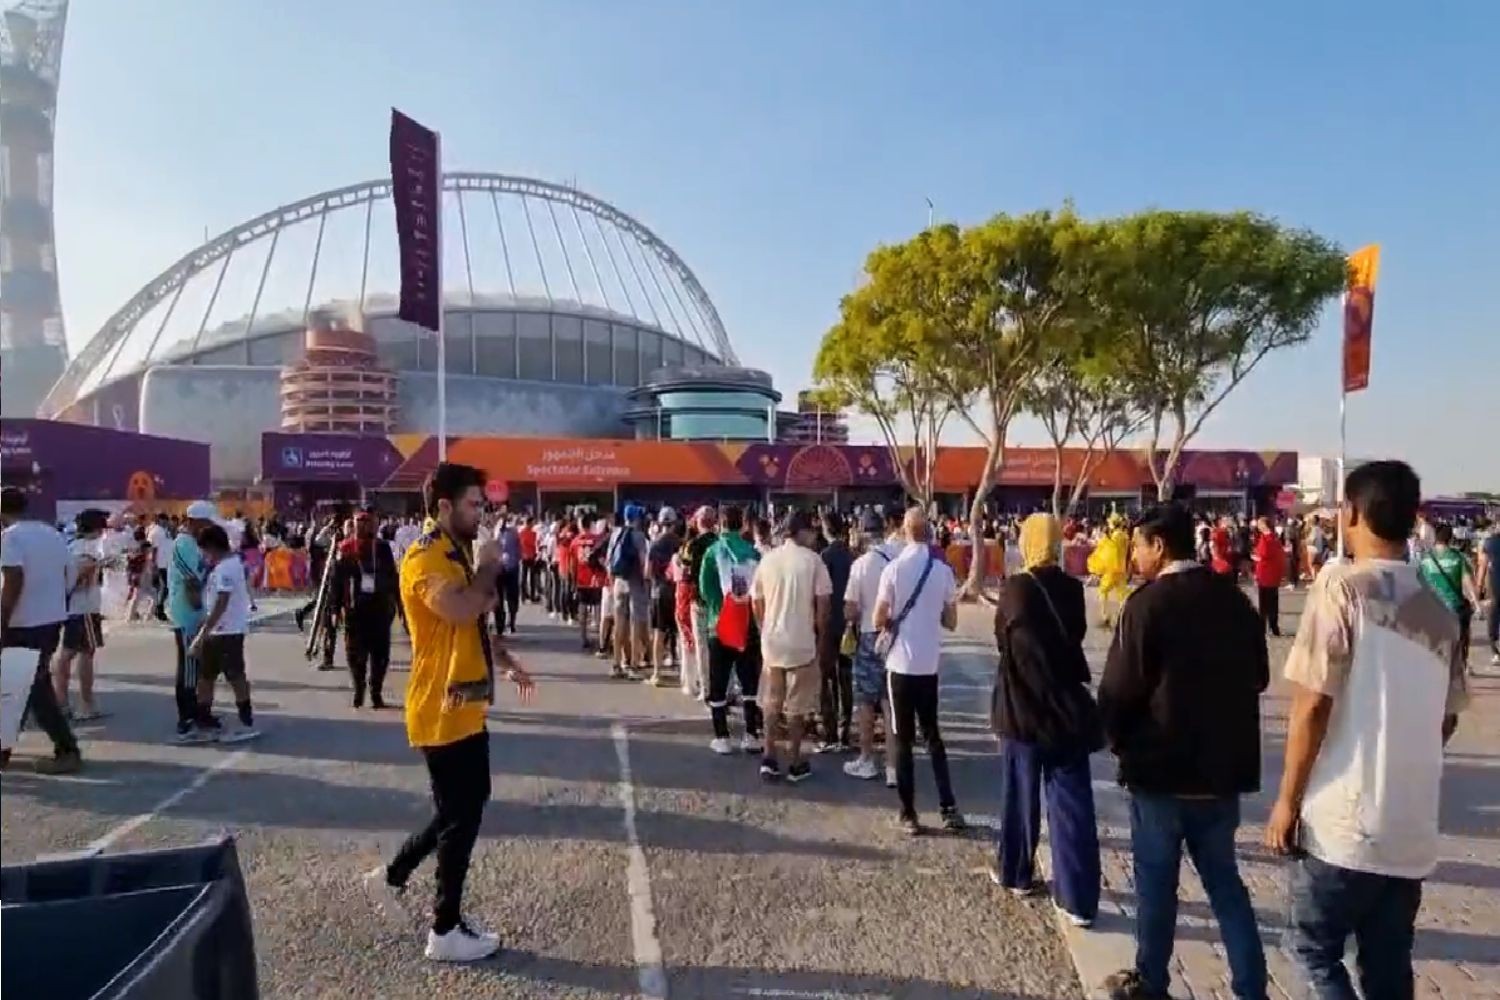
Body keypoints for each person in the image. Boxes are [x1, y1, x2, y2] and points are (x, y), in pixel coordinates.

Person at [1267, 462, 1468, 999]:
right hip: (1411, 827)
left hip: (1343, 824)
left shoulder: (1341, 591)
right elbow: (1444, 719)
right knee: (1387, 967)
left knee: (1311, 948)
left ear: (1351, 512)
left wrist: (1287, 801)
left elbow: (1312, 705)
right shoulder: (1440, 615)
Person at [363, 462, 535, 963]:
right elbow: (460, 608)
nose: (480, 513)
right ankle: (444, 927)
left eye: (482, 504)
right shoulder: (423, 558)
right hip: (439, 707)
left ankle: (396, 878)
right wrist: (487, 565)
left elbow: (475, 618)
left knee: (460, 808)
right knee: (461, 814)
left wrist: (504, 660)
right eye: (472, 505)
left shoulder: (457, 552)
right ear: (442, 506)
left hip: (465, 702)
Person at [1097, 503, 1268, 1000]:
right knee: (1226, 887)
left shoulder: (1147, 605)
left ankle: (1151, 980)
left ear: (1159, 546)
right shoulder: (1234, 601)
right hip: (1221, 775)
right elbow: (1259, 676)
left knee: (1155, 888)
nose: (1134, 555)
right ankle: (1251, 987)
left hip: (1161, 774)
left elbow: (1118, 691)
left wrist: (1118, 742)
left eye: (1138, 546)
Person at [989, 513, 1102, 928]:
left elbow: (1002, 640)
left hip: (1021, 709)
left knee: (1019, 798)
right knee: (1073, 806)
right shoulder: (1072, 590)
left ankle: (1017, 873)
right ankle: (1078, 899)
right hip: (1066, 711)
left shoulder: (1016, 589)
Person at [874, 507, 965, 835]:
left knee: (902, 739)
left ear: (904, 530)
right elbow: (951, 621)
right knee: (933, 737)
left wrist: (896, 619)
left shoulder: (893, 569)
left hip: (899, 665)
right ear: (928, 532)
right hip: (929, 665)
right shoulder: (942, 571)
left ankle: (908, 813)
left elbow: (878, 619)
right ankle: (948, 806)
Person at [0, 487, 83, 773]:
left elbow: (13, 580)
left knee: (30, 688)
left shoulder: (10, 538)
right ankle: (4, 748)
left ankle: (67, 748)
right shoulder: (52, 534)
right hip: (51, 619)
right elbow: (69, 575)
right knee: (22, 685)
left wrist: (2, 621)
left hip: (21, 623)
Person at [751, 509, 832, 783]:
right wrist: (820, 639)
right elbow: (823, 607)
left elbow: (756, 601)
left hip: (773, 642)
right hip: (802, 642)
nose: (814, 536)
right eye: (811, 531)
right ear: (802, 532)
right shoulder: (814, 562)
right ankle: (796, 761)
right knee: (797, 707)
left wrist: (765, 626)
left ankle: (769, 756)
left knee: (772, 703)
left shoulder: (768, 560)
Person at [185, 524, 260, 742]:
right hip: (216, 632)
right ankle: (203, 720)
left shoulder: (227, 568)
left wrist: (201, 634)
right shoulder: (223, 566)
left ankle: (246, 722)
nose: (204, 556)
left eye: (204, 550)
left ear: (212, 547)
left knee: (235, 676)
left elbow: (222, 603)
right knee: (206, 676)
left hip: (228, 631)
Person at [700, 505, 764, 755]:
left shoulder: (713, 552)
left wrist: (717, 608)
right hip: (747, 623)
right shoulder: (752, 553)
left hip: (719, 624)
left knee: (719, 681)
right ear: (742, 525)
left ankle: (722, 736)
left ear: (720, 524)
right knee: (748, 681)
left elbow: (706, 590)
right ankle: (751, 734)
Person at [842, 510, 899, 784]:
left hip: (867, 636)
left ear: (862, 533)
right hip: (895, 636)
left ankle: (867, 759)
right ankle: (893, 766)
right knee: (891, 703)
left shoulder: (860, 565)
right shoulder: (898, 557)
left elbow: (851, 610)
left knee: (865, 702)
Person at [168, 501, 221, 742]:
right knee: (189, 667)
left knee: (200, 666)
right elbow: (191, 581)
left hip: (197, 613)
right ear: (194, 522)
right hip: (187, 613)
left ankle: (201, 713)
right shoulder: (183, 544)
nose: (209, 528)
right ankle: (186, 718)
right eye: (206, 523)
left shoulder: (195, 544)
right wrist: (200, 612)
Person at [336, 510, 400, 708]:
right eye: (360, 521)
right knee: (355, 654)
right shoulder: (345, 549)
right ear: (353, 524)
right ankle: (359, 689)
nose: (364, 525)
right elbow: (336, 582)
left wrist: (398, 604)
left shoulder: (382, 548)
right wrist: (334, 608)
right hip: (355, 611)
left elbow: (393, 578)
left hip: (380, 609)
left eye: (368, 522)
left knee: (380, 655)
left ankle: (376, 693)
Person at [1416, 522, 1479, 674]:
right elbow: (1467, 582)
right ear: (1450, 538)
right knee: (1461, 637)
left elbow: (1419, 582)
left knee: (1434, 638)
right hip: (1455, 605)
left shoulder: (1425, 559)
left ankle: (1436, 666)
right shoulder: (1458, 557)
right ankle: (1462, 663)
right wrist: (1476, 603)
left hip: (1432, 606)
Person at [817, 511, 856, 753]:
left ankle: (830, 732)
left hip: (828, 625)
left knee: (825, 679)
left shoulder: (825, 557)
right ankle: (844, 732)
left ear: (825, 528)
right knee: (845, 680)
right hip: (849, 625)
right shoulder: (853, 557)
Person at [678, 506, 719, 701]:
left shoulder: (692, 545)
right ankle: (724, 687)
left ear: (697, 522)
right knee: (722, 645)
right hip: (721, 602)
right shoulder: (721, 543)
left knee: (702, 645)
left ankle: (706, 688)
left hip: (699, 600)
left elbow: (684, 573)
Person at [608, 505, 651, 677]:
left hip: (619, 582)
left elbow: (610, 561)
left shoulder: (616, 534)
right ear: (637, 518)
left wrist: (612, 582)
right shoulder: (639, 536)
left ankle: (617, 662)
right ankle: (633, 663)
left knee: (619, 623)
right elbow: (643, 562)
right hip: (635, 582)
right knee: (636, 623)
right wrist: (646, 581)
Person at [645, 507, 682, 687]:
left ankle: (657, 673)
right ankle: (684, 672)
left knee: (658, 633)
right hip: (677, 593)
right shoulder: (681, 543)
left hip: (658, 592)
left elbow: (647, 572)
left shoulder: (654, 544)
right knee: (681, 633)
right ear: (674, 524)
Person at [1252, 516, 1287, 637]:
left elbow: (1262, 555)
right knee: (1273, 603)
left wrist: (1254, 558)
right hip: (1274, 575)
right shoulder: (1275, 539)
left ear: (1263, 526)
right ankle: (1274, 627)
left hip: (1264, 574)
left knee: (1263, 604)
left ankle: (1262, 628)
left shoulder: (1265, 539)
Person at [491, 516, 522, 636]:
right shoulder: (495, 533)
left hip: (511, 568)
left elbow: (518, 549)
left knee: (511, 597)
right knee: (499, 599)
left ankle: (511, 622)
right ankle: (500, 625)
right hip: (500, 569)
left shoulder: (512, 533)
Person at [1480, 523, 1500, 666]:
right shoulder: (1490, 542)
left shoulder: (1490, 542)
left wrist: (1479, 584)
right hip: (1494, 585)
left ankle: (1495, 652)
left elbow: (1483, 564)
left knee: (1493, 616)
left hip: (1494, 586)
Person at [148, 512, 173, 621]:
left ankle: (158, 608)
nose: (167, 522)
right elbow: (153, 549)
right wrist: (153, 564)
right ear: (159, 520)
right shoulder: (156, 532)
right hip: (160, 564)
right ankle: (158, 609)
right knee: (164, 587)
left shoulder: (165, 531)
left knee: (165, 587)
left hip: (167, 563)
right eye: (164, 519)